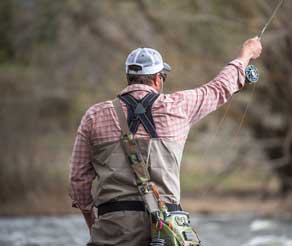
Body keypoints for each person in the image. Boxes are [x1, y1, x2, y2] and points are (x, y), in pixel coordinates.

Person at [69, 37, 262, 245]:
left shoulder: (94, 116)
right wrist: (245, 55)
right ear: (157, 79)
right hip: (168, 228)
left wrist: (94, 224)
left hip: (114, 226)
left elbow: (78, 180)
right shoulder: (178, 106)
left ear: (129, 77)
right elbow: (219, 88)